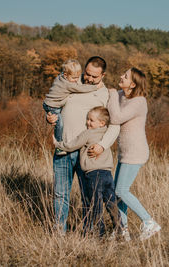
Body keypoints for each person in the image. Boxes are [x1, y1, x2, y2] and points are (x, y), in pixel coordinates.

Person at [46, 56, 120, 234]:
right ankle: (59, 233)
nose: (89, 79)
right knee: (60, 194)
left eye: (94, 77)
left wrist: (102, 145)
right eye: (87, 74)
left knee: (89, 196)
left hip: (88, 154)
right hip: (64, 149)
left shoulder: (107, 94)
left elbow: (115, 125)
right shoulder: (72, 84)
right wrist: (50, 117)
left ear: (103, 75)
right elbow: (55, 103)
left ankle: (90, 232)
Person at [107, 67, 161, 241]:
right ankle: (123, 231)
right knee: (117, 193)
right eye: (122, 73)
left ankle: (149, 222)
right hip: (125, 152)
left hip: (136, 152)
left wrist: (113, 95)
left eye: (125, 76)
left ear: (133, 83)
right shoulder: (122, 96)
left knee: (121, 190)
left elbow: (116, 117)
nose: (121, 76)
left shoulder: (139, 102)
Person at [54, 106, 121, 237]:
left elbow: (73, 145)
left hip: (93, 174)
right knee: (111, 203)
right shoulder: (106, 134)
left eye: (91, 120)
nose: (87, 122)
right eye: (87, 119)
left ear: (101, 123)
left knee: (95, 205)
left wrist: (58, 144)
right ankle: (120, 229)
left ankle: (99, 234)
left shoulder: (88, 133)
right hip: (107, 174)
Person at [43, 59, 101, 156]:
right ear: (65, 75)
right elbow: (80, 88)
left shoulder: (61, 77)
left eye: (78, 77)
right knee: (59, 125)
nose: (76, 80)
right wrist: (95, 87)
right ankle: (59, 147)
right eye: (74, 78)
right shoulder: (67, 84)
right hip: (53, 106)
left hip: (52, 104)